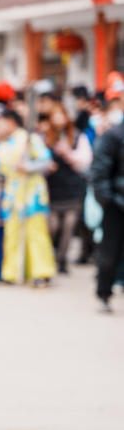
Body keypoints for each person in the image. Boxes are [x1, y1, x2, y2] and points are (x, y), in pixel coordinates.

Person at [0, 110, 56, 285]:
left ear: (10, 121)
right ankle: (11, 273)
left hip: (31, 192)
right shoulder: (3, 145)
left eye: (0, 122)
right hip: (12, 194)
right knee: (12, 234)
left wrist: (27, 166)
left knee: (36, 232)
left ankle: (42, 273)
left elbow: (46, 161)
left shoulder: (30, 139)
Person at [42, 104, 91, 274]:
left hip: (72, 187)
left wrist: (68, 154)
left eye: (60, 115)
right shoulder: (46, 138)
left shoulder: (77, 136)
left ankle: (62, 259)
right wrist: (46, 166)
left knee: (69, 225)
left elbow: (85, 161)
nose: (57, 119)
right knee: (53, 226)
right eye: (54, 116)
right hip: (52, 188)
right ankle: (50, 257)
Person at [91, 120, 124, 312]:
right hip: (116, 205)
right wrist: (109, 201)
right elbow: (100, 171)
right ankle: (104, 293)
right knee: (110, 253)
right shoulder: (114, 135)